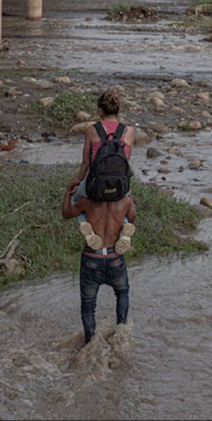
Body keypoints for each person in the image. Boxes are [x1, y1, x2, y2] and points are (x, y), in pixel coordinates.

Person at [62, 89, 136, 342]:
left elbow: (85, 163)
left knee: (77, 203)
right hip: (120, 187)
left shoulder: (92, 130)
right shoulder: (129, 131)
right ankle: (125, 230)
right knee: (124, 207)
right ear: (119, 110)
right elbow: (126, 163)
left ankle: (86, 227)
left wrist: (76, 181)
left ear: (99, 110)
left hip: (94, 186)